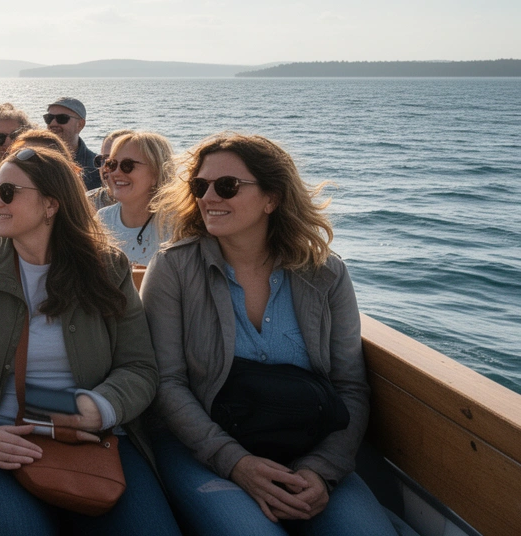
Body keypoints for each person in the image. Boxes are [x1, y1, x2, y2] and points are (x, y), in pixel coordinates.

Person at [141, 133, 396, 536]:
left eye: (226, 186)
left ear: (271, 198)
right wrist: (236, 463)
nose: (209, 197)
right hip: (203, 448)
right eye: (200, 186)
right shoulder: (174, 270)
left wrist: (321, 470)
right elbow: (167, 383)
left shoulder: (326, 274)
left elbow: (351, 387)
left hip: (307, 446)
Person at [0, 146, 178, 535]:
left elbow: (139, 367)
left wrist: (98, 407)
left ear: (51, 205)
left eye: (8, 193)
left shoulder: (107, 267)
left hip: (92, 440)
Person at [96, 131, 174, 265]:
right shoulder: (103, 219)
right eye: (112, 164)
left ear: (156, 173)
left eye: (127, 165)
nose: (115, 172)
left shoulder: (176, 226)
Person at [44, 97, 100, 190]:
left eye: (62, 118)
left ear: (80, 124)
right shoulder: (34, 159)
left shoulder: (96, 168)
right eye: (49, 118)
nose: (53, 123)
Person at [86, 129, 133, 210]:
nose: (106, 167)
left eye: (122, 161)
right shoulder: (86, 203)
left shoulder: (157, 207)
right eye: (103, 159)